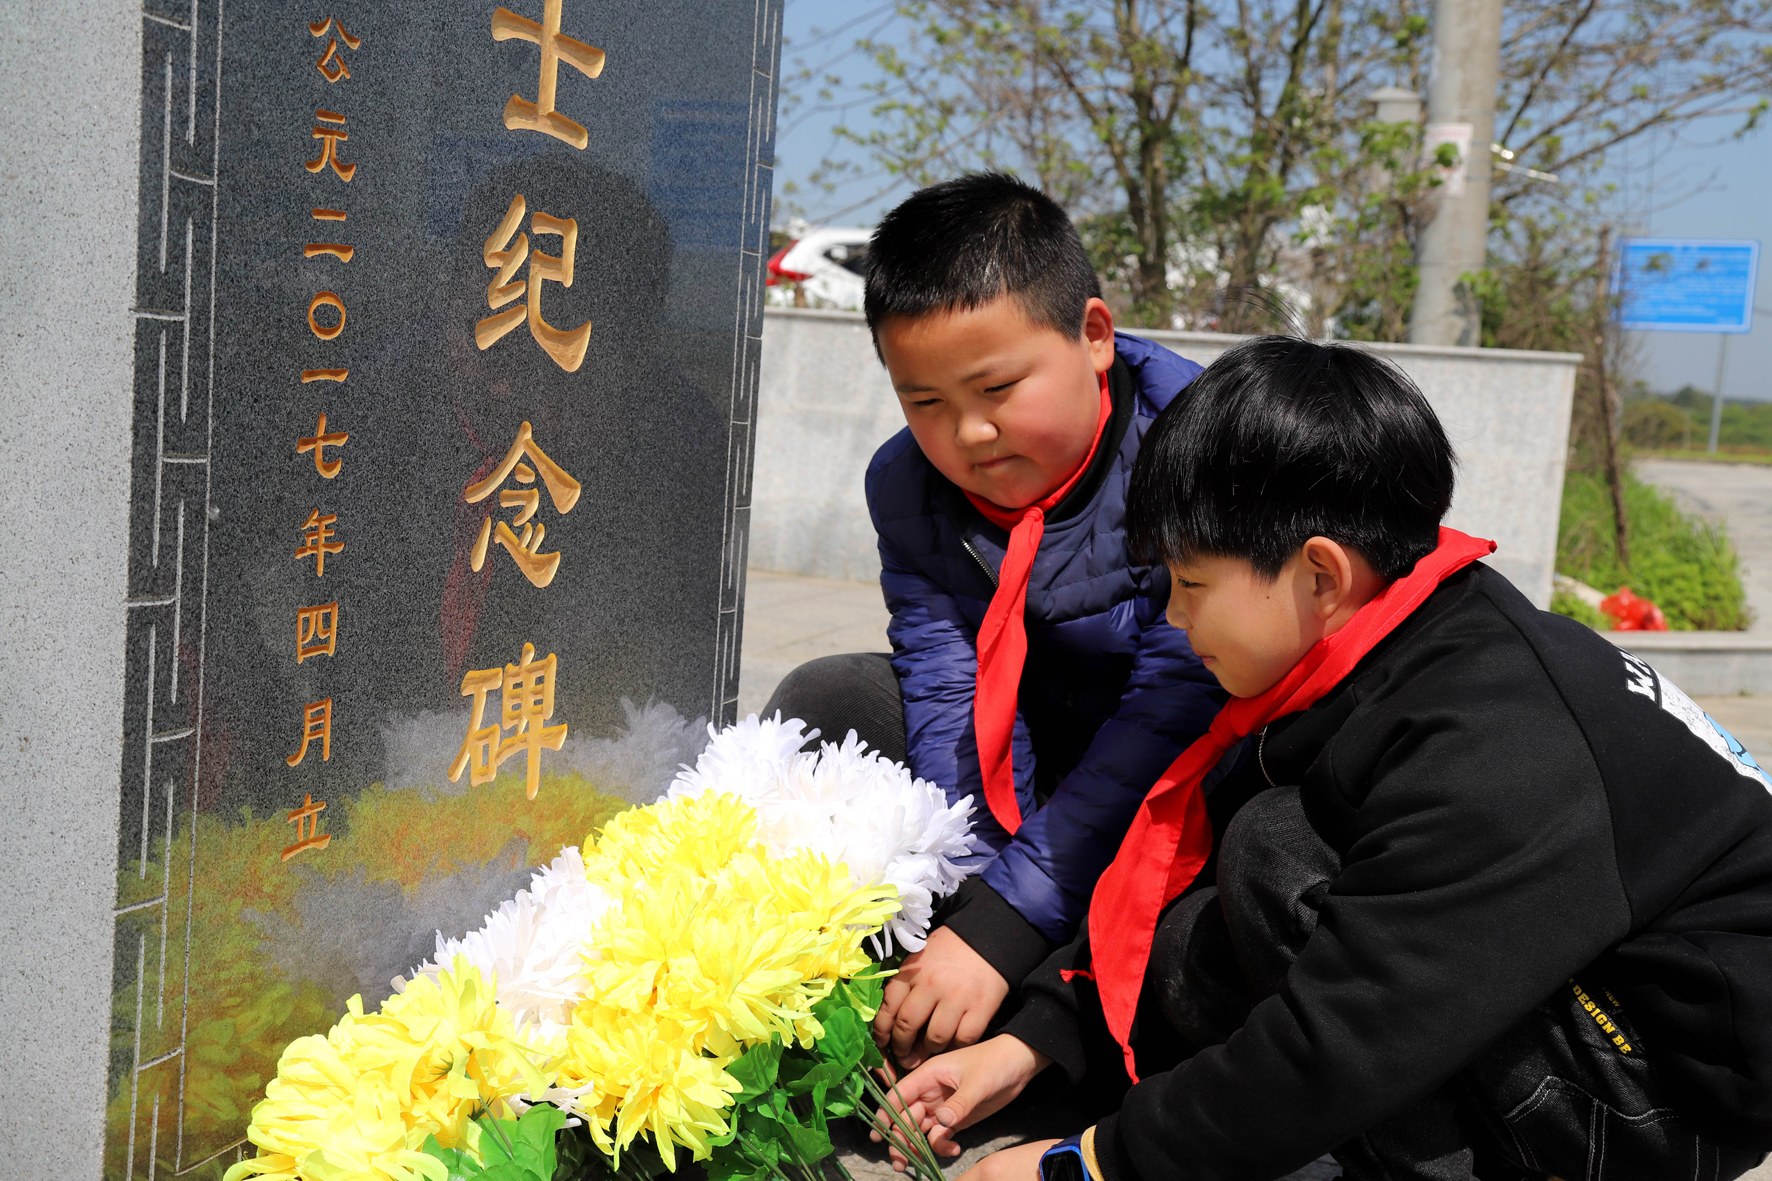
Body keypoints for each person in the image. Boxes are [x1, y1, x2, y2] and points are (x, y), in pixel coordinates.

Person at [877, 336, 1772, 1181]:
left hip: (1662, 1086)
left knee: (1277, 857)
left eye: (1190, 585)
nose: (1178, 622)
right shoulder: (1393, 639)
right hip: (1567, 1000)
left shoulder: (1494, 743)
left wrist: (1090, 1162)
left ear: (1320, 575)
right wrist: (1032, 1043)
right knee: (1217, 906)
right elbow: (1165, 895)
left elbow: (1347, 1035)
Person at [764, 172, 1224, 1068]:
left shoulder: (1203, 448)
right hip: (1043, 759)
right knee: (832, 701)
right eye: (924, 402)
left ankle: (1066, 1024)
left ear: (1093, 335)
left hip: (1188, 767)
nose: (968, 435)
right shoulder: (908, 486)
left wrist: (1009, 924)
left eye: (998, 388)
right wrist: (962, 902)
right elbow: (947, 683)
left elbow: (1176, 705)